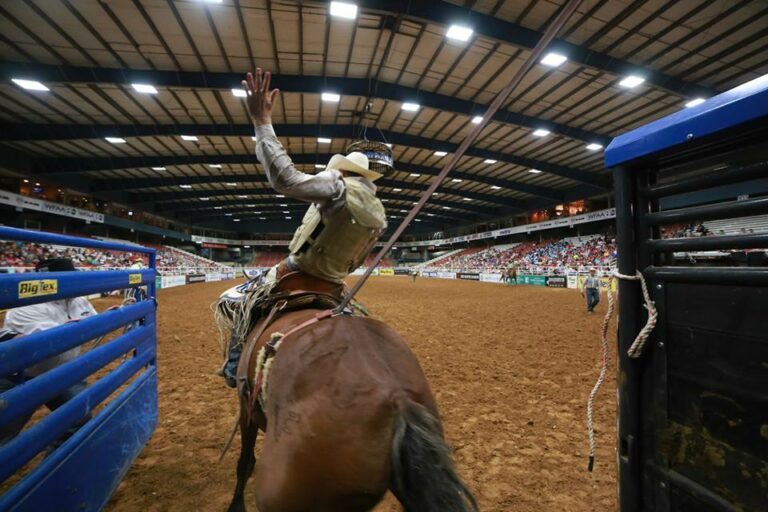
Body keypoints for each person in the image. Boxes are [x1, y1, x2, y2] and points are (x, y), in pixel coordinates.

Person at [216, 68, 387, 387]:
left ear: (345, 168)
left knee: (236, 301)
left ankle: (233, 367)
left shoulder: (337, 183)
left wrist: (261, 122)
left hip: (299, 270)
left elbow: (286, 178)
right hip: (336, 283)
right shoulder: (376, 208)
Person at [1, 258, 97, 445]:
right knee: (3, 433)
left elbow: (93, 322)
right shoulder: (25, 305)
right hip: (21, 377)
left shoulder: (78, 300)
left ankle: (55, 471)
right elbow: (53, 341)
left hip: (61, 371)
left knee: (79, 420)